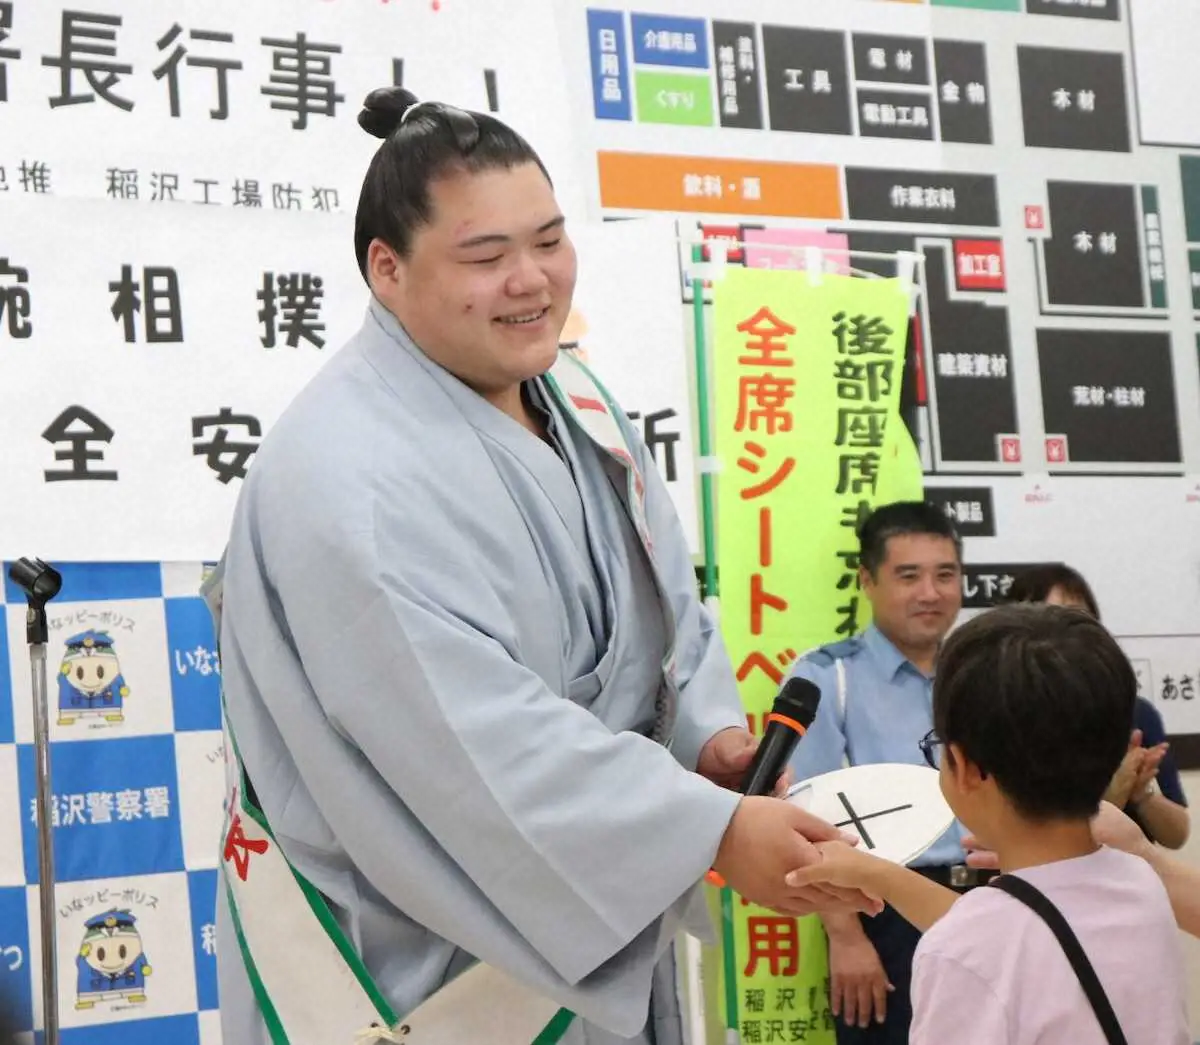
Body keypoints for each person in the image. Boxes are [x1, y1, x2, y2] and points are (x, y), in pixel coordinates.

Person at [204, 86, 870, 1045]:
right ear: (386, 268)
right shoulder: (345, 474)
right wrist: (709, 828)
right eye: (486, 257)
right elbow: (470, 741)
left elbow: (668, 609)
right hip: (422, 957)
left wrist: (708, 743)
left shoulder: (572, 393)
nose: (532, 280)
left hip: (595, 885)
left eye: (550, 240)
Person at [787, 604, 1190, 1045]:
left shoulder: (965, 950)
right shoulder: (1142, 885)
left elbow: (989, 941)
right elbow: (1016, 933)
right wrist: (875, 873)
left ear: (964, 768)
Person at [780, 501, 976, 1043]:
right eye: (908, 576)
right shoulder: (827, 675)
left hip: (989, 901)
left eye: (945, 575)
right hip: (885, 918)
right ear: (867, 580)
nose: (930, 593)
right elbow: (806, 819)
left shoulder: (982, 673)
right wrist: (845, 935)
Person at [1008, 564, 1189, 849]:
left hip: (1135, 872)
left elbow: (1177, 836)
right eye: (1046, 616)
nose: (1060, 632)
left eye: (1076, 616)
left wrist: (1142, 795)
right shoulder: (1005, 718)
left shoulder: (1136, 713)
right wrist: (1114, 792)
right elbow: (1044, 841)